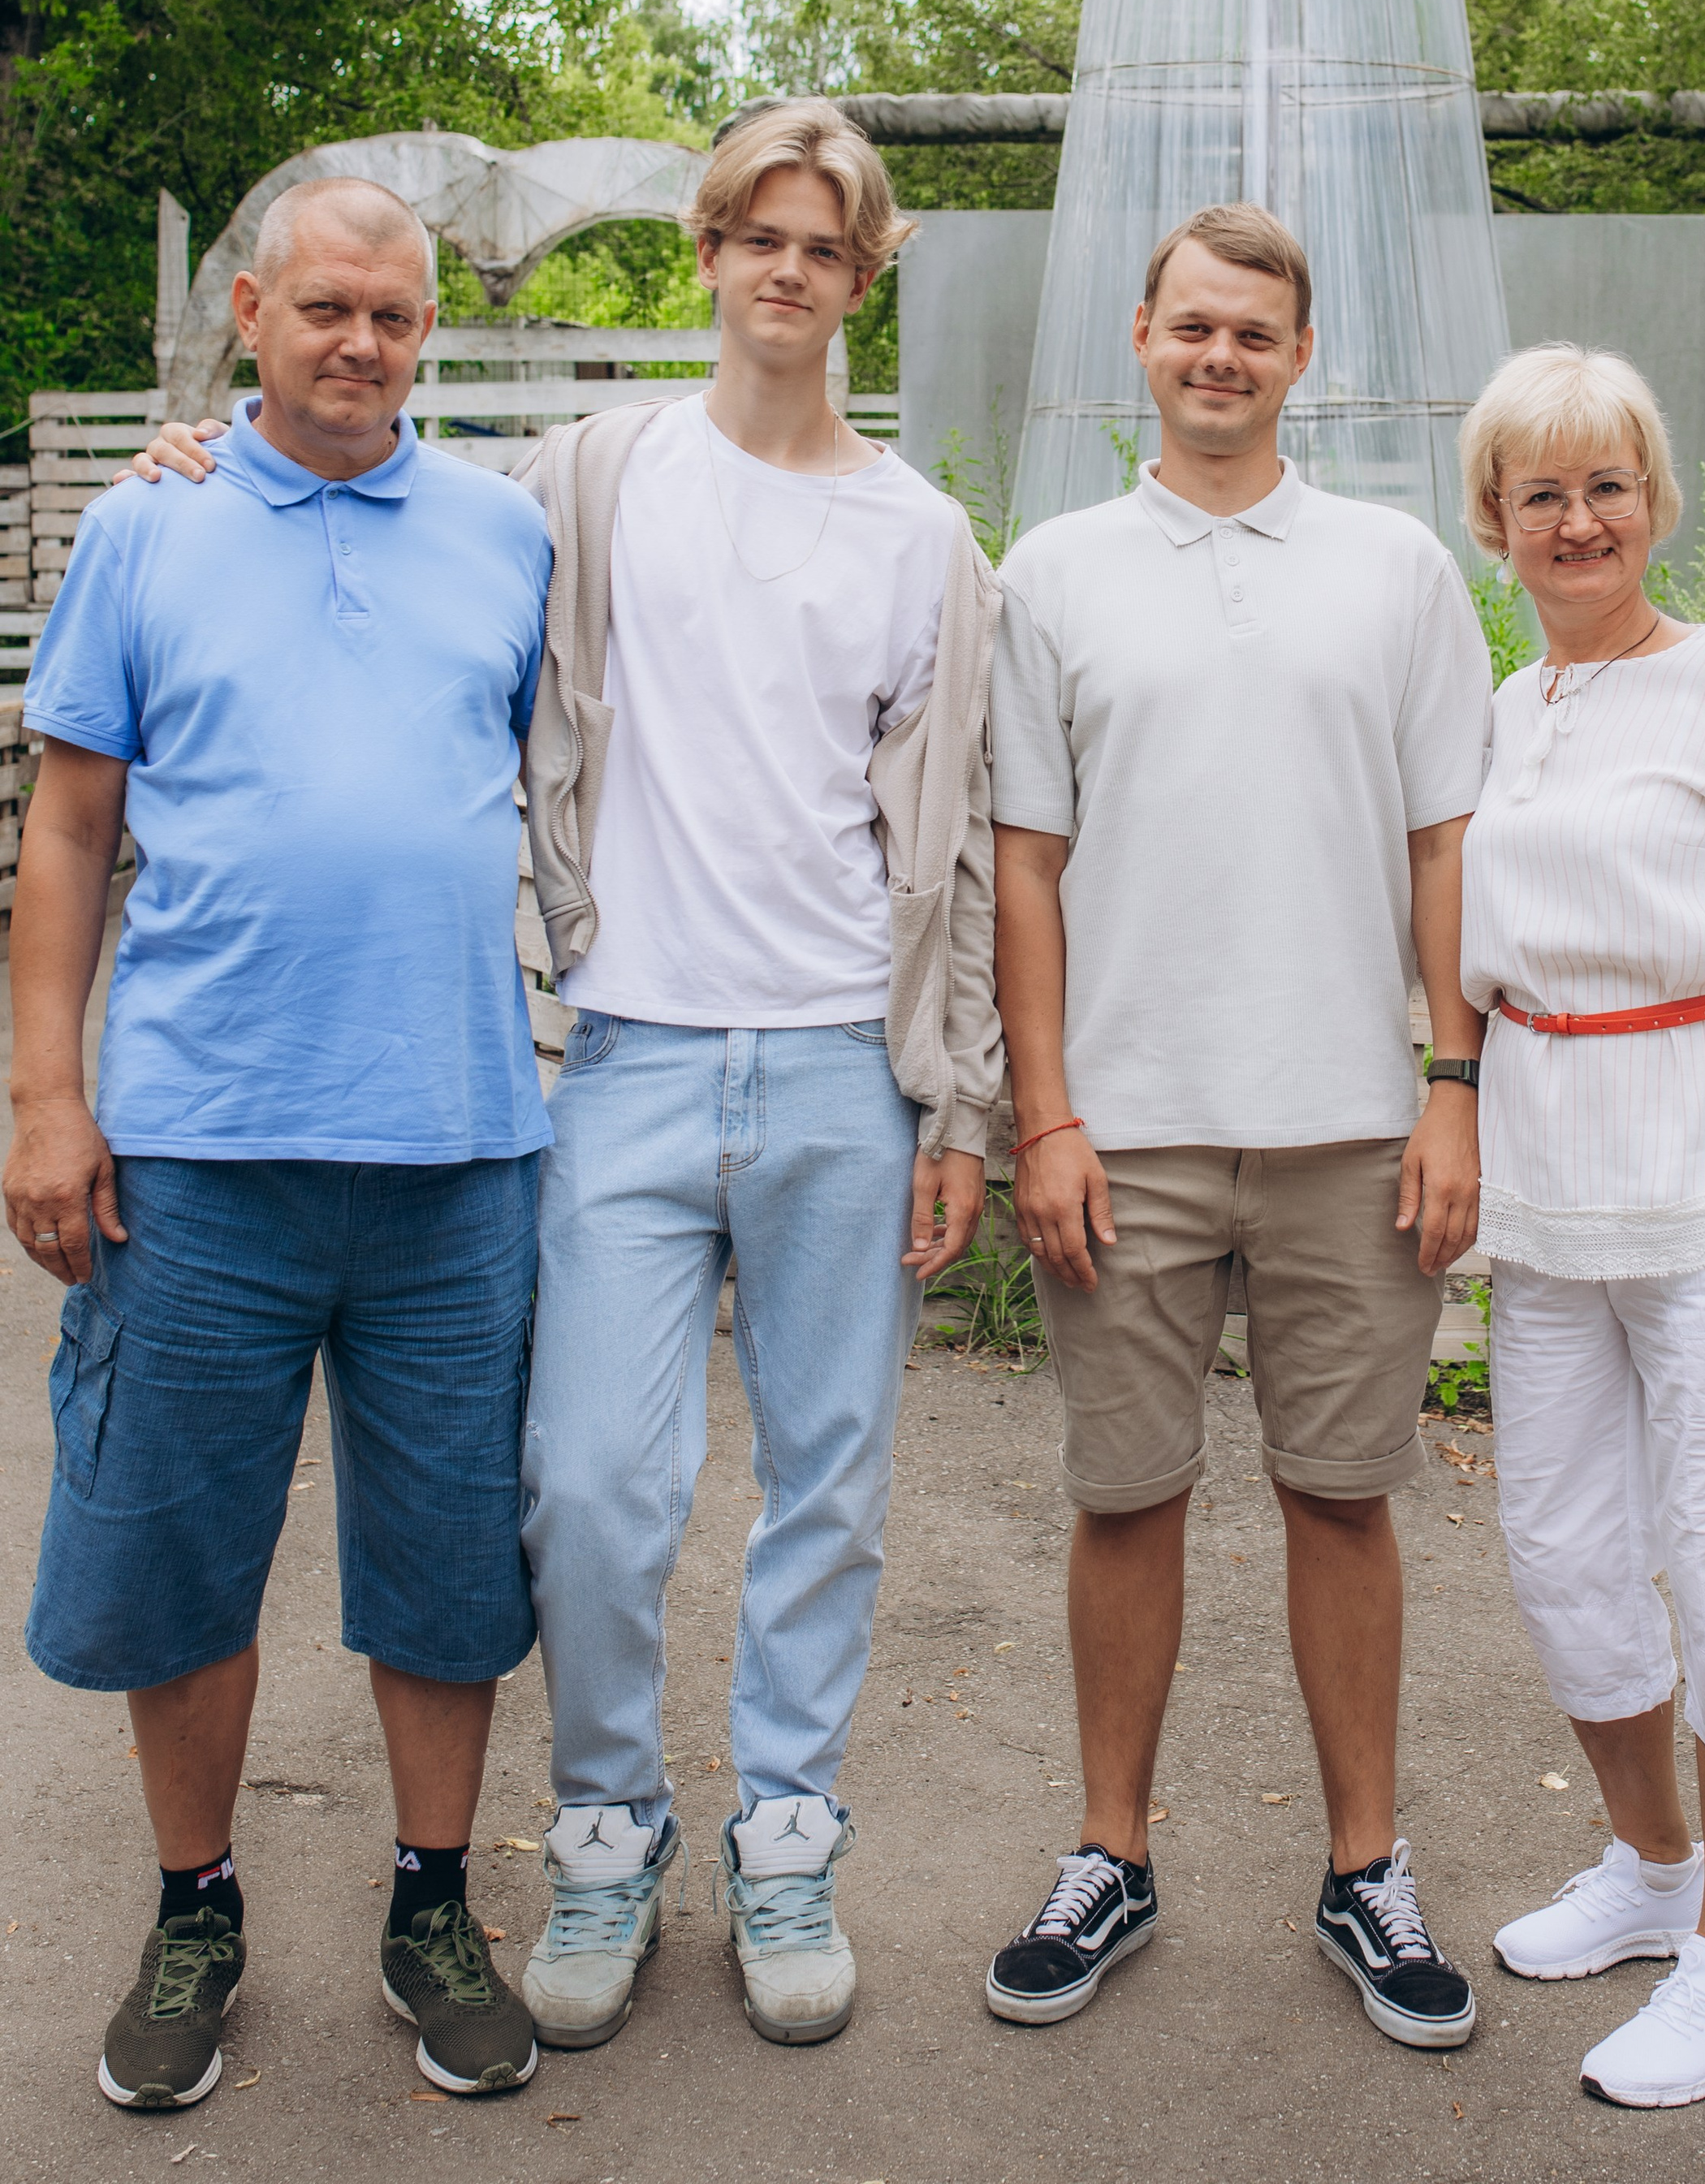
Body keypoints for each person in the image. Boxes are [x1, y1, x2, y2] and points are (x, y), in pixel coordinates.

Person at [136, 106, 1002, 2056]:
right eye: (755, 237)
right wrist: (190, 461)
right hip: (613, 1053)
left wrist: (958, 1103)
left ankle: (786, 1833)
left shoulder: (925, 541)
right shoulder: (577, 482)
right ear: (703, 253)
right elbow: (347, 491)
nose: (785, 272)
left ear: (865, 276)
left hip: (837, 1071)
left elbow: (951, 847)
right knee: (589, 1491)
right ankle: (606, 1829)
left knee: (826, 1486)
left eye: (822, 247)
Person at [10, 179, 553, 2111]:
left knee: (451, 1566)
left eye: (396, 320)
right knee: (174, 1558)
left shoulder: (509, 530)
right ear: (249, 313)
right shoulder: (150, 523)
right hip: (196, 1151)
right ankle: (194, 1906)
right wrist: (45, 1099)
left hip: (454, 1143)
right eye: (326, 310)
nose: (363, 347)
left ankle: (431, 1901)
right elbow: (71, 825)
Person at [982, 203, 1490, 2052]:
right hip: (1125, 1128)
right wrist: (1042, 1116)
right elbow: (1021, 869)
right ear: (1139, 337)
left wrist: (1452, 1082)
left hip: (1353, 1124)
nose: (1218, 357)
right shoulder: (1050, 570)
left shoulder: (1396, 566)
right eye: (1190, 326)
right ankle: (1108, 1854)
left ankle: (1366, 1868)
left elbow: (1448, 841)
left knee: (1337, 1495)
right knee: (1124, 1498)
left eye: (1252, 335)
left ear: (1299, 358)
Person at [1455, 343, 1705, 2113]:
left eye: (1602, 485)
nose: (1574, 520)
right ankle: (1644, 1870)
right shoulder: (1497, 710)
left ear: (1654, 501)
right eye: (1536, 493)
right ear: (1491, 522)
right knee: (1557, 1556)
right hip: (1548, 1205)